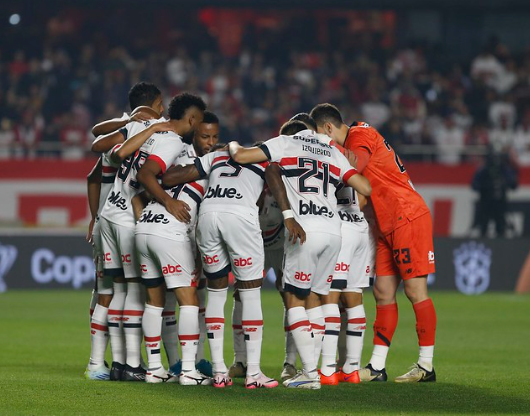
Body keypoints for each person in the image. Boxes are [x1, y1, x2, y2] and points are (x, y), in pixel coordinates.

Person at [228, 120, 371, 389]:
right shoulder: (331, 150)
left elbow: (240, 155)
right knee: (316, 297)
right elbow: (365, 188)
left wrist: (233, 145)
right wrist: (346, 168)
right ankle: (315, 369)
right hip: (334, 231)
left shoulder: (286, 142)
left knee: (294, 299)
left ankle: (309, 374)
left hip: (304, 230)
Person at [310, 103, 437, 383]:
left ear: (328, 129)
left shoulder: (361, 133)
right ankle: (377, 366)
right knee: (382, 292)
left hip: (407, 215)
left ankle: (426, 365)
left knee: (415, 291)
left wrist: (320, 149)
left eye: (321, 135)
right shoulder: (357, 137)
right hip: (383, 222)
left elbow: (355, 164)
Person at [162, 141, 278, 389]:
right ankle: (254, 374)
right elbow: (278, 182)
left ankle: (218, 372)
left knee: (215, 291)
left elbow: (171, 176)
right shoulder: (263, 158)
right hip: (240, 217)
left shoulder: (216, 156)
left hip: (208, 215)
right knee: (250, 292)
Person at [84, 83, 164, 380]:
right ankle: (115, 362)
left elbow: (92, 175)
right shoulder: (154, 133)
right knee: (126, 290)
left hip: (106, 217)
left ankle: (104, 361)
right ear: (157, 104)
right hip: (124, 219)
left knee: (106, 290)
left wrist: (94, 216)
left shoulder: (122, 134)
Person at [133, 97, 209, 384]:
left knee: (154, 302)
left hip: (146, 228)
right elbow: (145, 175)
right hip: (167, 228)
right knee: (188, 300)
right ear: (191, 120)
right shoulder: (172, 141)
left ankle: (154, 369)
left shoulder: (174, 148)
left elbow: (141, 192)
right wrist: (169, 202)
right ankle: (189, 371)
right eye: (199, 123)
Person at [472, 150, 518, 237]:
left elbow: (514, 184)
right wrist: (485, 186)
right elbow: (474, 185)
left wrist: (503, 183)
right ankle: (483, 243)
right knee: (483, 227)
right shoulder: (484, 170)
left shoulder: (504, 169)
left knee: (500, 226)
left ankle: (500, 246)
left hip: (500, 204)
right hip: (485, 203)